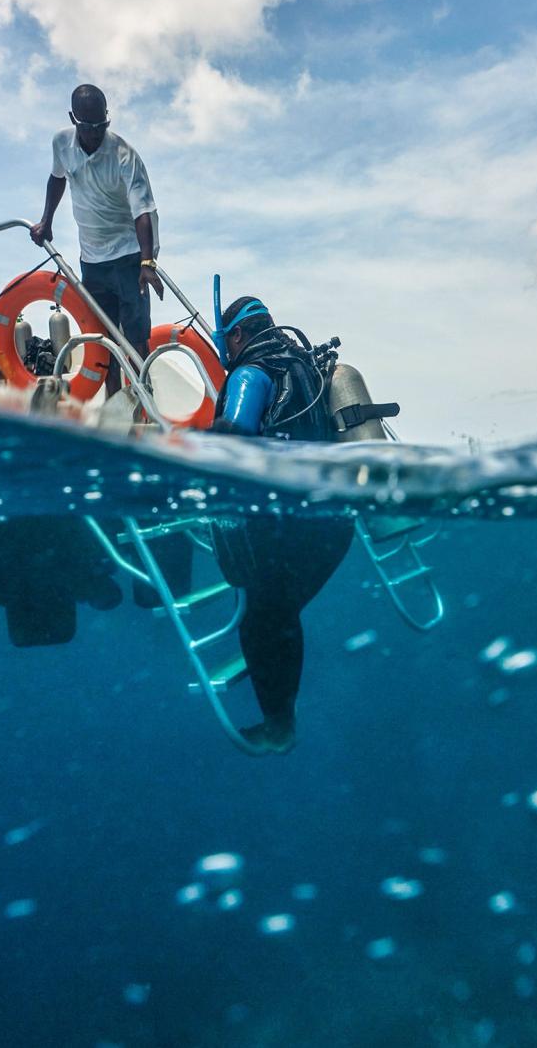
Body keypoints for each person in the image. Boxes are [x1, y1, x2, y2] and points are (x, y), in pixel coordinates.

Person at [206, 297, 351, 753]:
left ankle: (279, 726)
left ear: (236, 336)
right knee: (276, 612)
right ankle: (279, 708)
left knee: (262, 620)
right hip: (333, 526)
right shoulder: (307, 367)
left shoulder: (251, 373)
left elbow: (236, 435)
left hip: (291, 533)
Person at [29, 84, 162, 395]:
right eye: (88, 127)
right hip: (92, 260)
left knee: (134, 337)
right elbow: (57, 177)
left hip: (131, 255)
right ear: (74, 119)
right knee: (103, 339)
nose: (95, 133)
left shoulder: (124, 155)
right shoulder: (61, 143)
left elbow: (143, 210)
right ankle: (114, 402)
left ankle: (146, 405)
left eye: (102, 125)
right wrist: (46, 220)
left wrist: (147, 262)